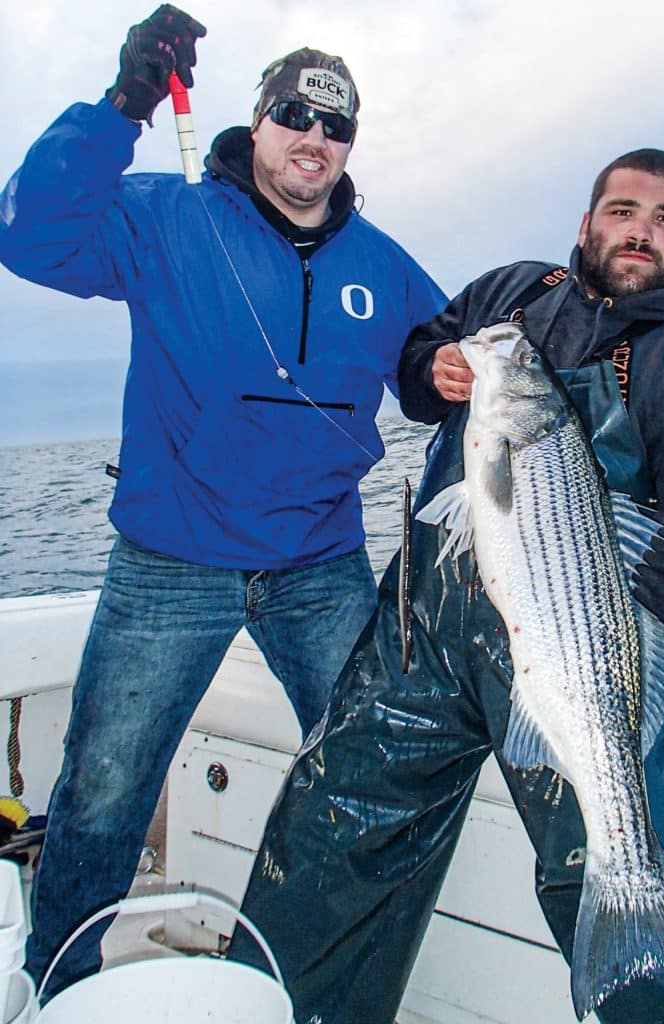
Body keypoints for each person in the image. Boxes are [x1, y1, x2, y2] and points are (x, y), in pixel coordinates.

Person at [230, 147, 664, 1023]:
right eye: (624, 211)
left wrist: (588, 644)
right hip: (426, 640)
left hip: (582, 650)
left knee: (632, 861)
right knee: (333, 827)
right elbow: (420, 362)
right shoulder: (514, 290)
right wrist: (434, 372)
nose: (641, 232)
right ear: (587, 224)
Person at [0, 3, 446, 998]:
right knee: (105, 789)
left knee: (380, 769)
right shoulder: (168, 216)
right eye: (297, 114)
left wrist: (444, 366)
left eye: (337, 125)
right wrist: (123, 103)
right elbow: (27, 235)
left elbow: (440, 357)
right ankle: (56, 981)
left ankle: (321, 982)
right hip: (171, 559)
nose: (315, 140)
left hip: (319, 565)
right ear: (260, 118)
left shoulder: (380, 262)